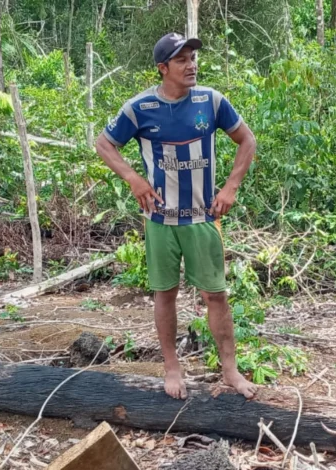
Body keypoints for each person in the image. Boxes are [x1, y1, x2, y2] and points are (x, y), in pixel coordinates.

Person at [95, 32, 257, 400]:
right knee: (164, 294)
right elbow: (104, 144)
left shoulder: (212, 102)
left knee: (216, 295)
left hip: (203, 217)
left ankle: (230, 370)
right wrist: (132, 177)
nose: (192, 65)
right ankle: (172, 369)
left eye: (193, 58)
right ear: (162, 68)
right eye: (182, 60)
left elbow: (247, 140)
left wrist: (230, 187)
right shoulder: (140, 108)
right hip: (160, 220)